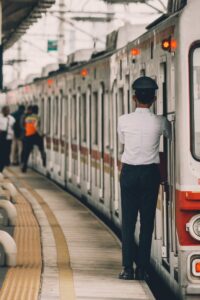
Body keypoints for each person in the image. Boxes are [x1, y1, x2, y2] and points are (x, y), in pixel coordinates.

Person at [118, 76, 171, 280]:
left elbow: (123, 141)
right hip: (150, 174)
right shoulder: (160, 121)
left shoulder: (123, 120)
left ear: (133, 98)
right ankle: (142, 269)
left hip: (129, 173)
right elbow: (169, 139)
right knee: (147, 223)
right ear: (155, 98)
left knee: (128, 222)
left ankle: (127, 268)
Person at [21, 104, 46, 172]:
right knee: (41, 146)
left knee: (27, 152)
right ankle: (43, 158)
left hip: (27, 136)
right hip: (34, 135)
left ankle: (24, 165)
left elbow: (25, 126)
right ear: (37, 111)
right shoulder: (37, 117)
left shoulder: (27, 118)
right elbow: (36, 127)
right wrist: (41, 134)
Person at [0, 106, 16, 173]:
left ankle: (3, 164)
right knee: (1, 152)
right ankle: (1, 167)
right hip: (1, 137)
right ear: (3, 111)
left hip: (9, 138)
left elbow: (14, 127)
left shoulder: (12, 119)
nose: (7, 112)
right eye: (5, 111)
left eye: (8, 111)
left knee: (7, 152)